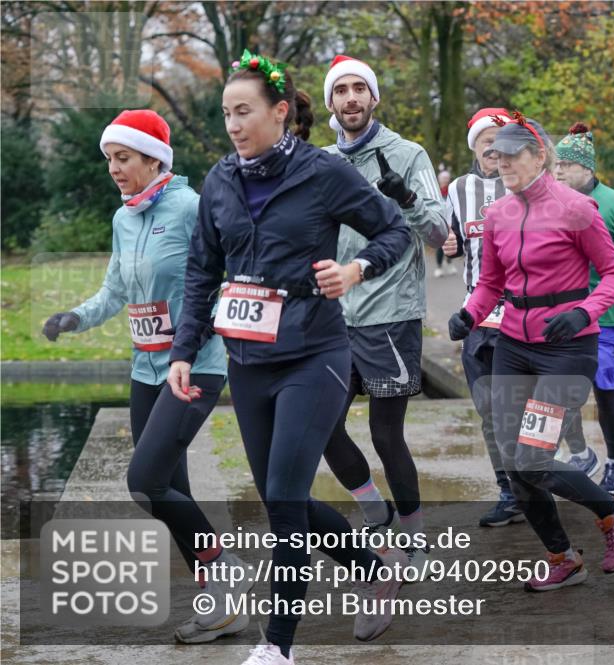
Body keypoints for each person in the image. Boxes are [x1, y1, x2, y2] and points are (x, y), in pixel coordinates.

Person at [167, 51, 412, 664]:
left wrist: (355, 268)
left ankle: (275, 649)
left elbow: (395, 231)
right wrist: (183, 349)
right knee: (291, 499)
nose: (233, 124)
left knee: (281, 502)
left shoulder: (322, 173)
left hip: (315, 352)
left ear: (280, 113)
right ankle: (373, 566)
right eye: (226, 113)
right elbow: (201, 272)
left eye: (243, 111)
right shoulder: (220, 180)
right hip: (248, 361)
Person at [42, 109, 247, 645]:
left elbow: (225, 276)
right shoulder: (122, 218)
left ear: (154, 159)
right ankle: (219, 605)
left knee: (144, 481)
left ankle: (228, 580)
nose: (114, 167)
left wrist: (201, 331)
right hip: (144, 367)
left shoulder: (189, 207)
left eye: (124, 157)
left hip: (196, 365)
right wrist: (75, 317)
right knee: (166, 489)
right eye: (110, 158)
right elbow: (114, 291)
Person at [448, 113, 614, 591]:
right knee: (514, 464)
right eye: (496, 155)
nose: (501, 161)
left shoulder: (576, 208)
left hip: (567, 345)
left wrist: (584, 312)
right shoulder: (498, 215)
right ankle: (562, 556)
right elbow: (491, 283)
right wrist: (470, 315)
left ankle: (611, 514)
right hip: (514, 341)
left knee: (532, 457)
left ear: (538, 156)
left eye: (512, 154)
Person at [320, 54, 449, 567]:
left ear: (374, 97)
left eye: (359, 88)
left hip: (390, 314)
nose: (351, 98)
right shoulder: (325, 162)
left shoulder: (407, 153)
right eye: (341, 90)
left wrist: (409, 198)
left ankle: (414, 536)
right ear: (331, 102)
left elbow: (440, 233)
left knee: (384, 433)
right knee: (322, 426)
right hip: (333, 316)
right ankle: (377, 514)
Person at [553, 123, 614, 494]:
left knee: (604, 387)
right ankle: (573, 454)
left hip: (608, 313)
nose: (558, 170)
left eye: (566, 164)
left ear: (587, 169)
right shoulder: (551, 201)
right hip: (561, 312)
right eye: (555, 164)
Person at [442, 107, 522, 526]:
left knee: (520, 407)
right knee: (489, 410)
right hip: (476, 314)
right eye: (484, 139)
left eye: (499, 137)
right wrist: (449, 244)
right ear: (474, 145)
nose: (493, 146)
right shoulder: (458, 188)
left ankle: (539, 478)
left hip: (523, 314)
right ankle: (509, 491)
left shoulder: (525, 184)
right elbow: (448, 237)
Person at [435, 167, 457, 277]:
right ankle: (439, 267)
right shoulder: (435, 191)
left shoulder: (452, 190)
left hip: (451, 222)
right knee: (440, 245)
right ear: (439, 179)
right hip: (439, 222)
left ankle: (449, 262)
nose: (445, 180)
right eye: (444, 178)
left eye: (447, 178)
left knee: (451, 242)